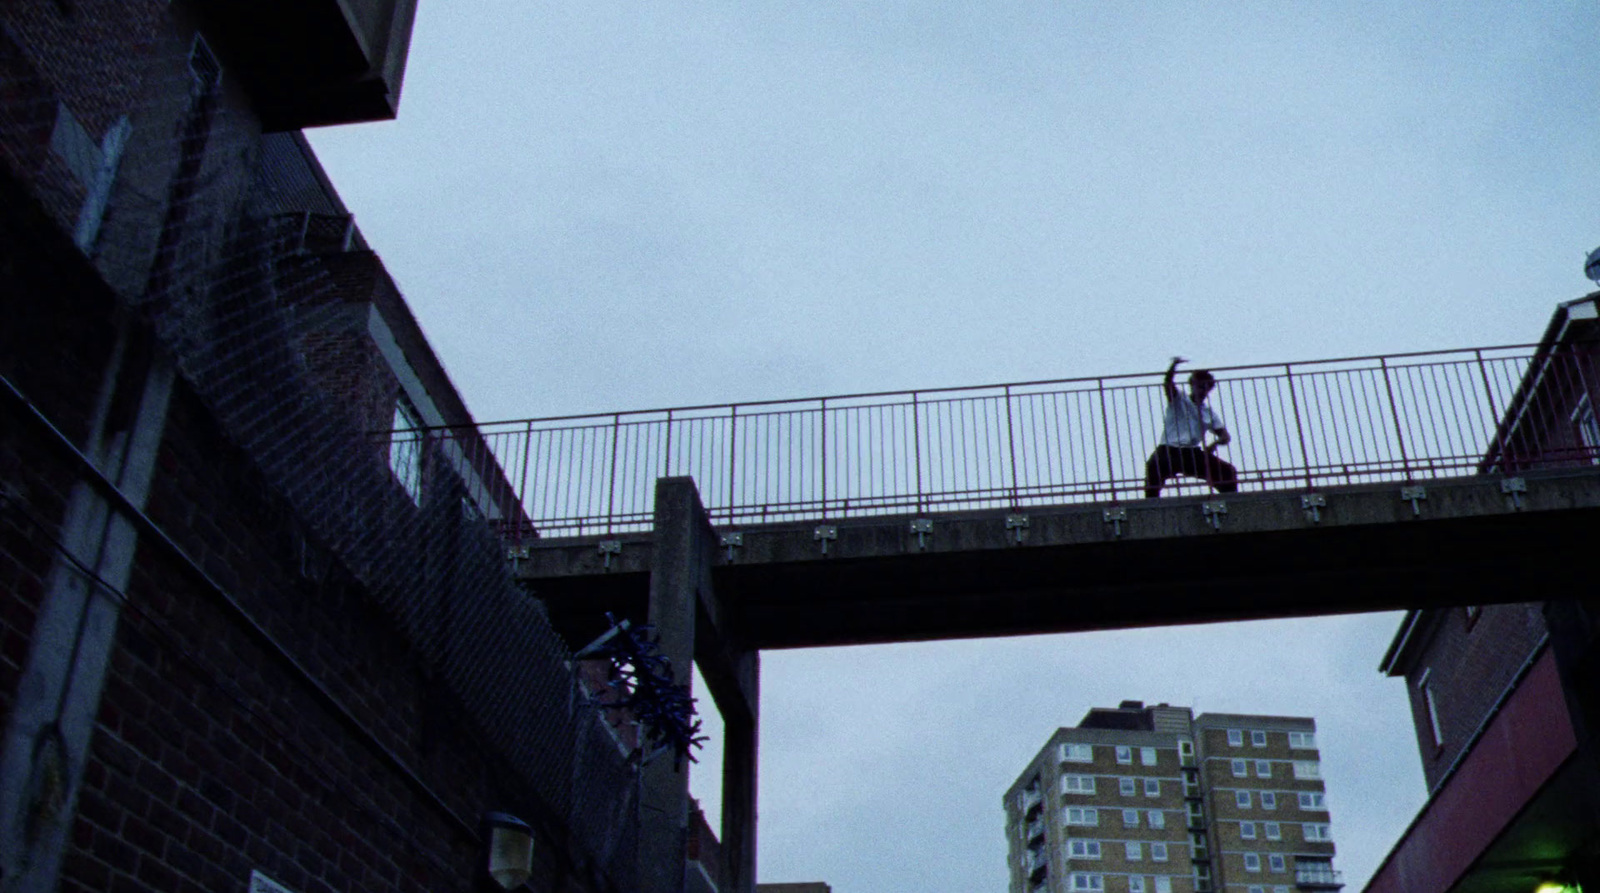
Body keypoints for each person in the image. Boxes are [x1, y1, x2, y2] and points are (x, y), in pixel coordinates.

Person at [1144, 356, 1238, 498]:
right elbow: (1168, 384)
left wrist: (1215, 443)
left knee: (1227, 471)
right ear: (1192, 385)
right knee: (1153, 469)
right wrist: (1174, 366)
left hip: (1191, 454)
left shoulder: (1209, 413)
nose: (1202, 391)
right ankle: (1150, 507)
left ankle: (1230, 502)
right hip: (1168, 451)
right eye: (1200, 386)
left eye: (1206, 388)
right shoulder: (1179, 400)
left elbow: (1225, 436)